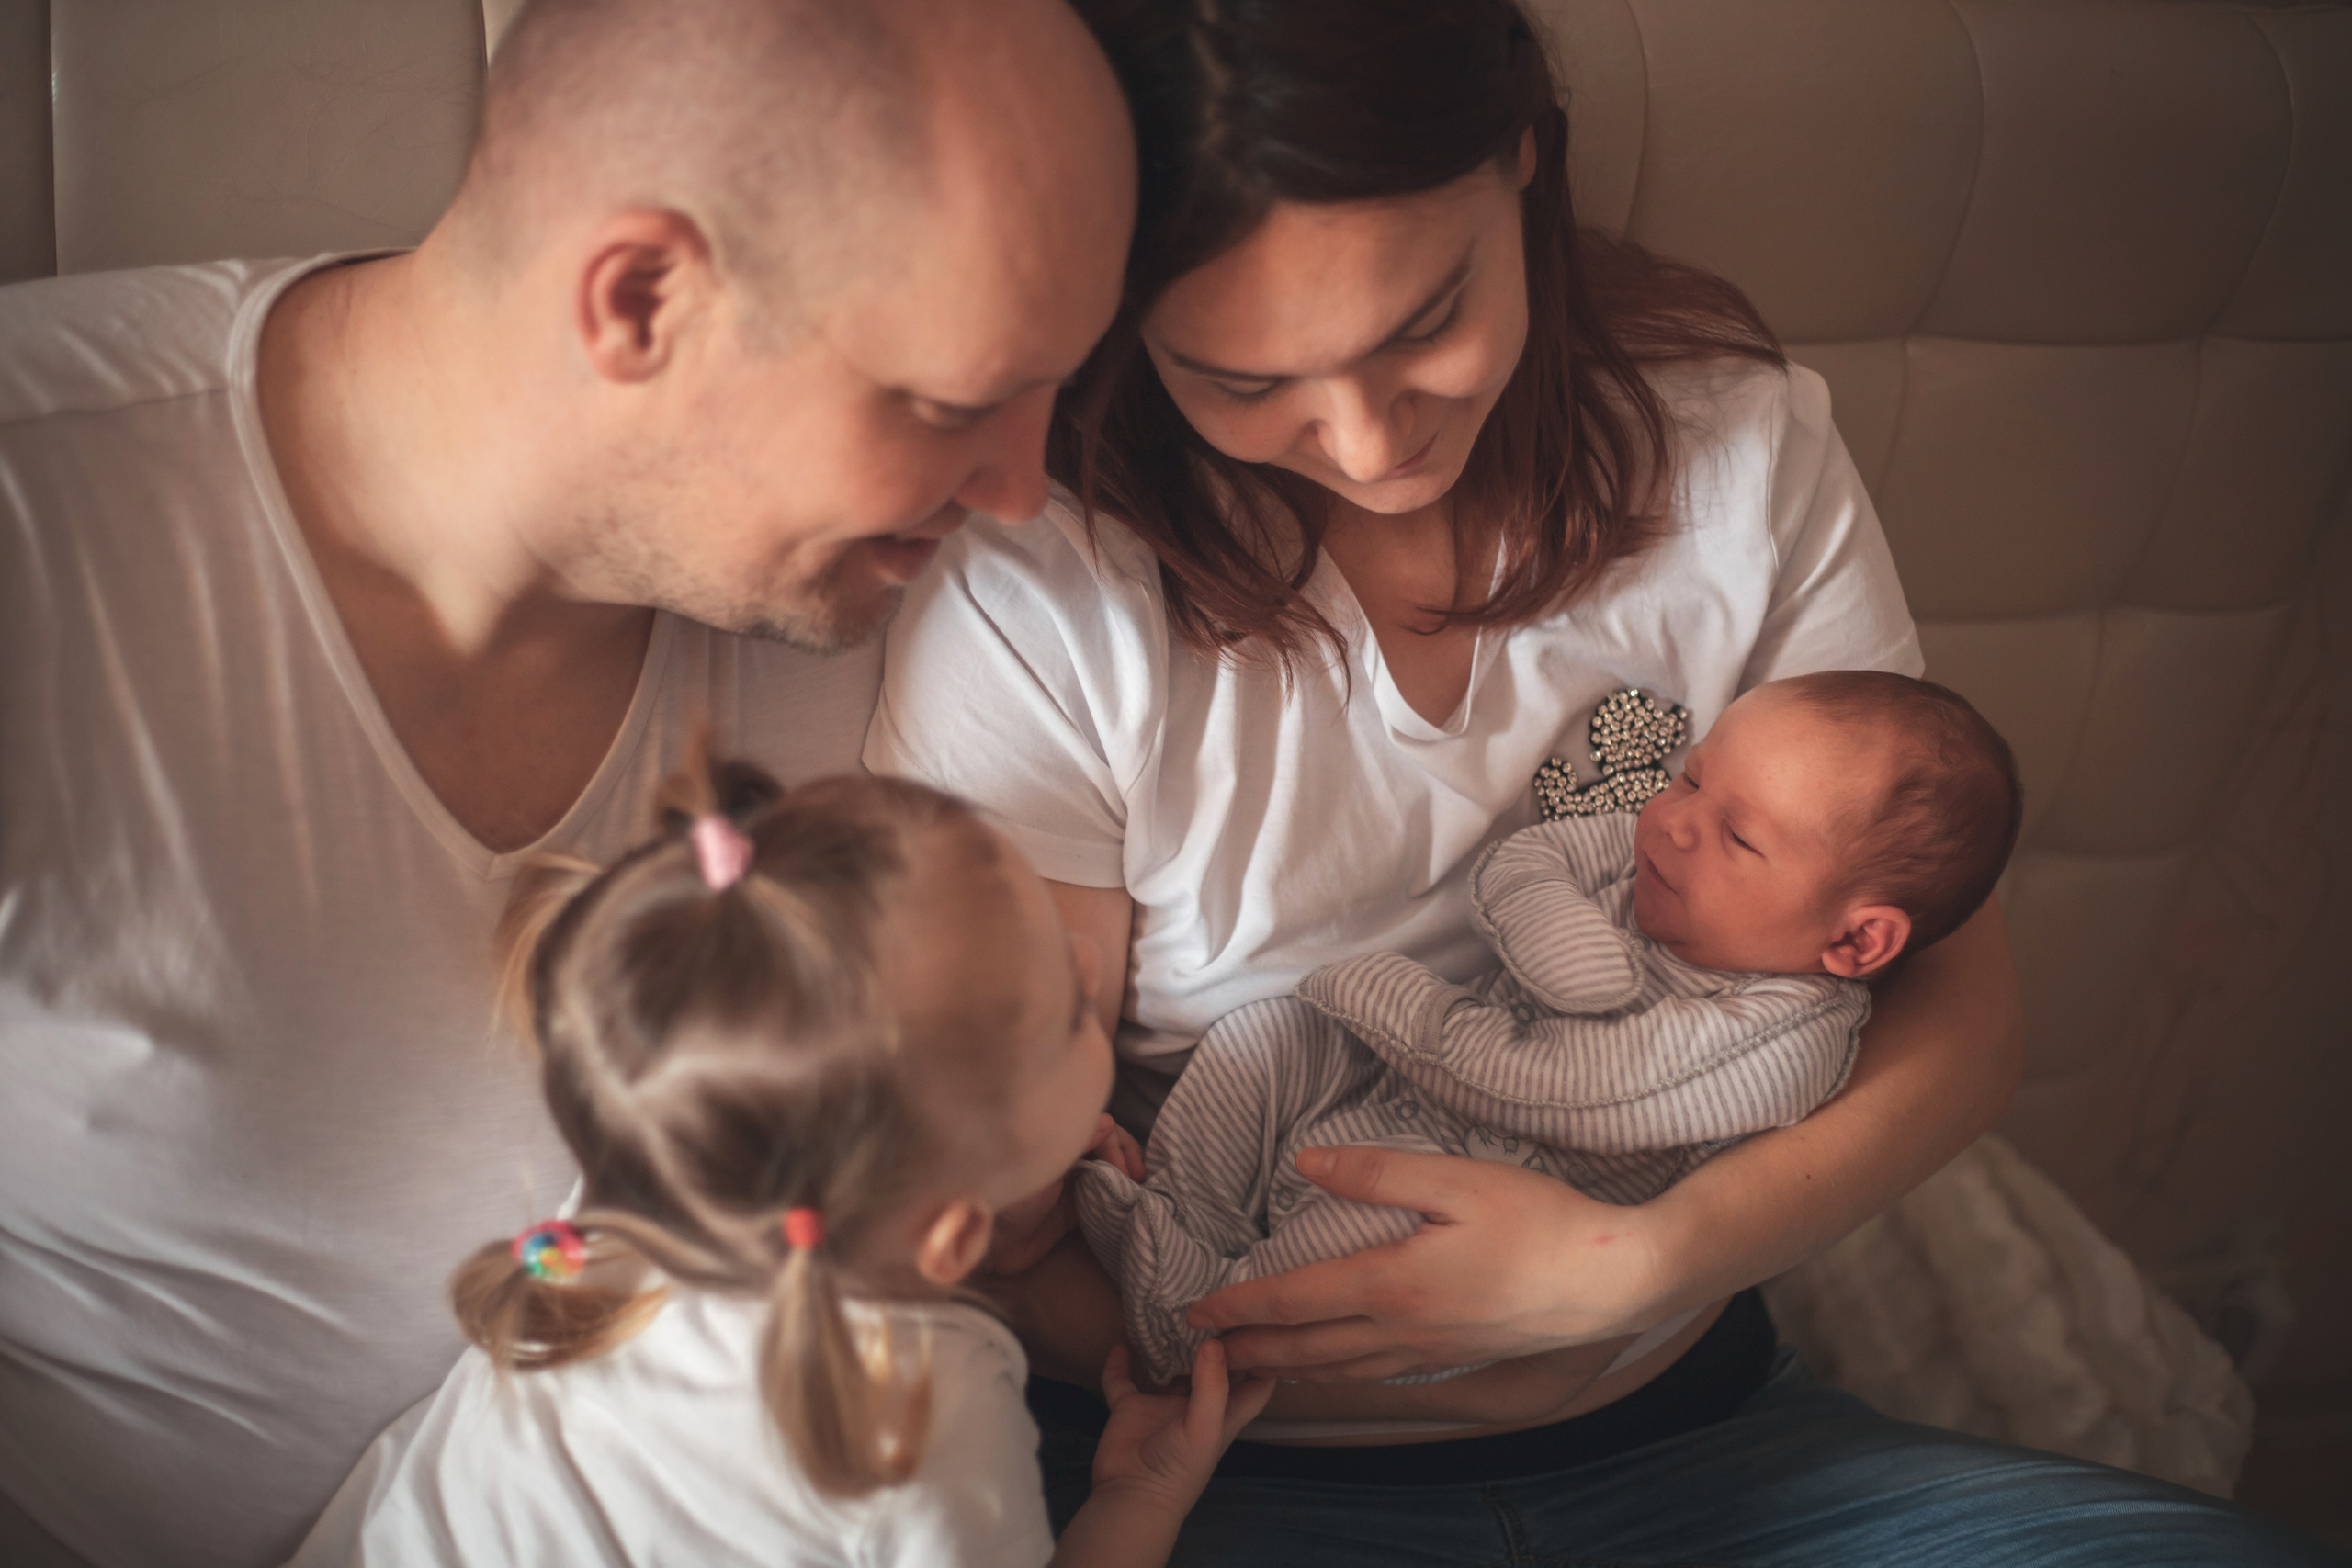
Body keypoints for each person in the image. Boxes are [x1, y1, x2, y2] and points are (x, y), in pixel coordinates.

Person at [865, 0, 2333, 1560]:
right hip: (1210, 1460)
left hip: (1695, 1420)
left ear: (1524, 161)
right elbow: (1000, 1147)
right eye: (1245, 379)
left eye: (1422, 321)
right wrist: (1306, 1352)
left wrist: (1631, 1270)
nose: (1364, 440)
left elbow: (1953, 1009)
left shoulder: (1729, 463)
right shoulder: (1050, 592)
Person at [0, 1, 1134, 1562]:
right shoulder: (39, 543)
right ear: (644, 294)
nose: (1019, 491)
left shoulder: (933, 601)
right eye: (954, 406)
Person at [288, 760, 1274, 1567]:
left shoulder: (634, 1207)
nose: (1087, 955)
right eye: (1068, 1012)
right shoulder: (923, 1428)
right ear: (949, 1236)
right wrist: (1138, 1505)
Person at [1071, 671, 2023, 1389]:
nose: (1672, 822)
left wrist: (1381, 996)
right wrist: (1570, 945)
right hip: (1393, 1095)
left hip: (1492, 1197)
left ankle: (1188, 1321)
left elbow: (1557, 1088)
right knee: (1269, 1038)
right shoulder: (1664, 855)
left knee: (1375, 1246)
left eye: (1738, 837)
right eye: (1690, 778)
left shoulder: (1779, 1040)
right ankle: (1186, 1210)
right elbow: (1530, 861)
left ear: (1855, 940)